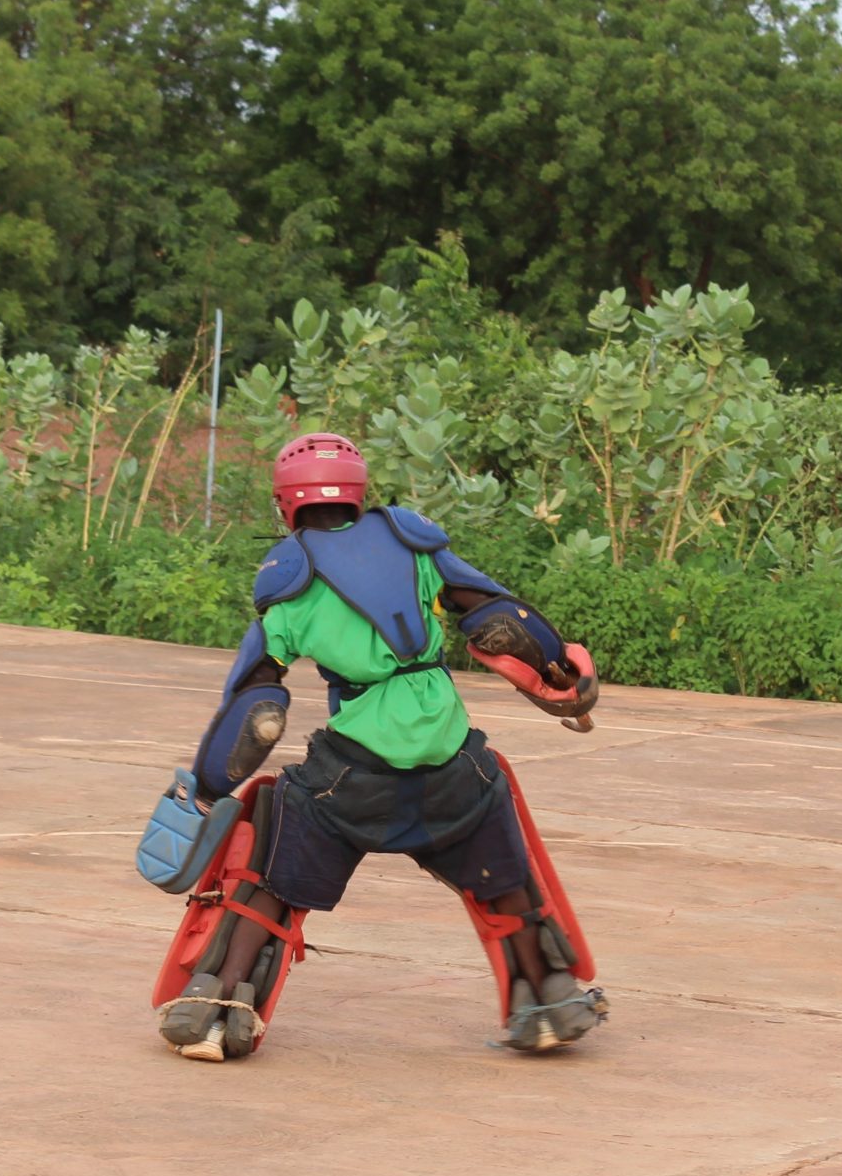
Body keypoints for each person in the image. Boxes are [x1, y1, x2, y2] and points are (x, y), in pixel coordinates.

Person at [137, 432, 607, 1062]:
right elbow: (498, 618)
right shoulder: (415, 544)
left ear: (287, 504)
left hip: (354, 778)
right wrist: (560, 673)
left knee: (271, 850)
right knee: (494, 833)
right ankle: (550, 1000)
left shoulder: (288, 576)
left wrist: (207, 790)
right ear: (360, 495)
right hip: (450, 761)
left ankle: (216, 1007)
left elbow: (256, 713)